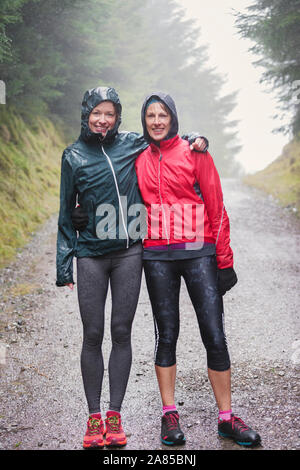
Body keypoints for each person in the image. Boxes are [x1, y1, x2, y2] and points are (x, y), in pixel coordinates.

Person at [56, 86, 208, 449]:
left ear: (118, 116)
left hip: (129, 253)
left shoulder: (131, 144)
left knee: (121, 331)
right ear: (86, 114)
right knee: (92, 334)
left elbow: (165, 138)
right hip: (90, 254)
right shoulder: (72, 155)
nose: (103, 119)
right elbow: (65, 211)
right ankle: (94, 417)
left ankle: (114, 414)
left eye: (109, 113)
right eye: (97, 113)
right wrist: (64, 263)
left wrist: (195, 138)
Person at [133, 92, 261, 447]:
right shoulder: (138, 157)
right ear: (143, 122)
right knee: (167, 335)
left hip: (198, 252)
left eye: (162, 115)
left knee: (214, 334)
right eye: (150, 116)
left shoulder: (195, 152)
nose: (156, 121)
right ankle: (169, 415)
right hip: (156, 255)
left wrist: (225, 261)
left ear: (173, 118)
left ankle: (226, 418)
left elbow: (217, 208)